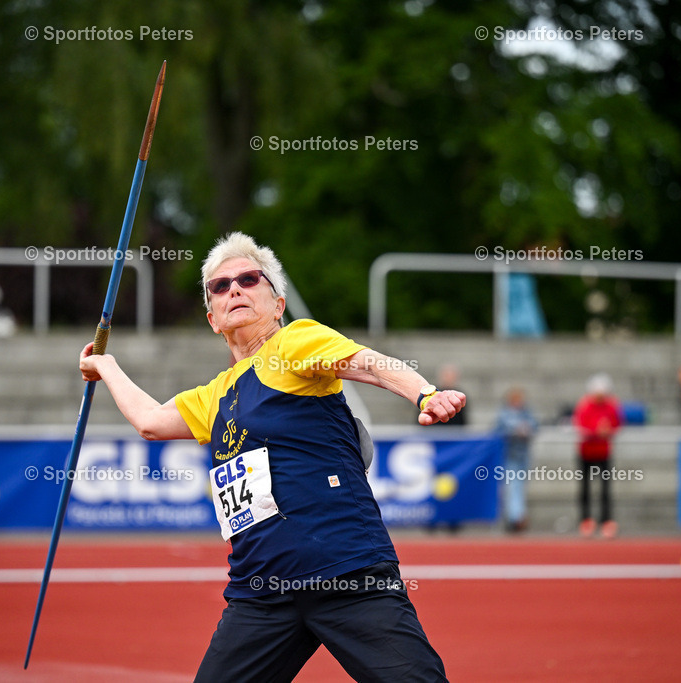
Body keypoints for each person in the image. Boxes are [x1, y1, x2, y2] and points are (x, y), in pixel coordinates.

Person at [79, 232, 462, 682]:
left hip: (345, 573)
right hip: (261, 592)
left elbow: (370, 363)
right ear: (212, 319)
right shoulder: (214, 395)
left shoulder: (294, 342)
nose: (235, 289)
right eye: (221, 287)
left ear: (278, 304)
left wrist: (425, 394)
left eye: (248, 279)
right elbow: (150, 421)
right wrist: (105, 366)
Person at [572, 374, 622, 538]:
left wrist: (608, 430)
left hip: (603, 452)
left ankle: (606, 521)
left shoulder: (611, 405)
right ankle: (586, 520)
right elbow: (580, 425)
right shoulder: (585, 405)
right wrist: (596, 431)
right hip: (586, 451)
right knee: (585, 487)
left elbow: (617, 423)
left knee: (605, 489)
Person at [494, 387, 538, 533]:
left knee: (519, 486)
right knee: (512, 487)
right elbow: (497, 432)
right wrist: (515, 430)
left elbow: (535, 426)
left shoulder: (526, 413)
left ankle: (516, 516)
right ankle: (515, 518)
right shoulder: (504, 415)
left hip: (523, 456)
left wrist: (527, 429)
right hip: (509, 455)